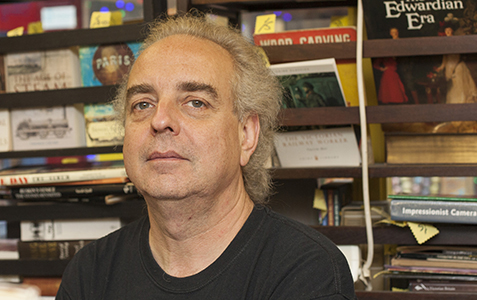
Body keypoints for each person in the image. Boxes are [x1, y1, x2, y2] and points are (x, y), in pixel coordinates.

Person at [56, 12, 357, 300]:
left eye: (196, 103)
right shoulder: (90, 273)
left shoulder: (305, 273)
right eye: (142, 104)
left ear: (246, 134)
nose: (160, 120)